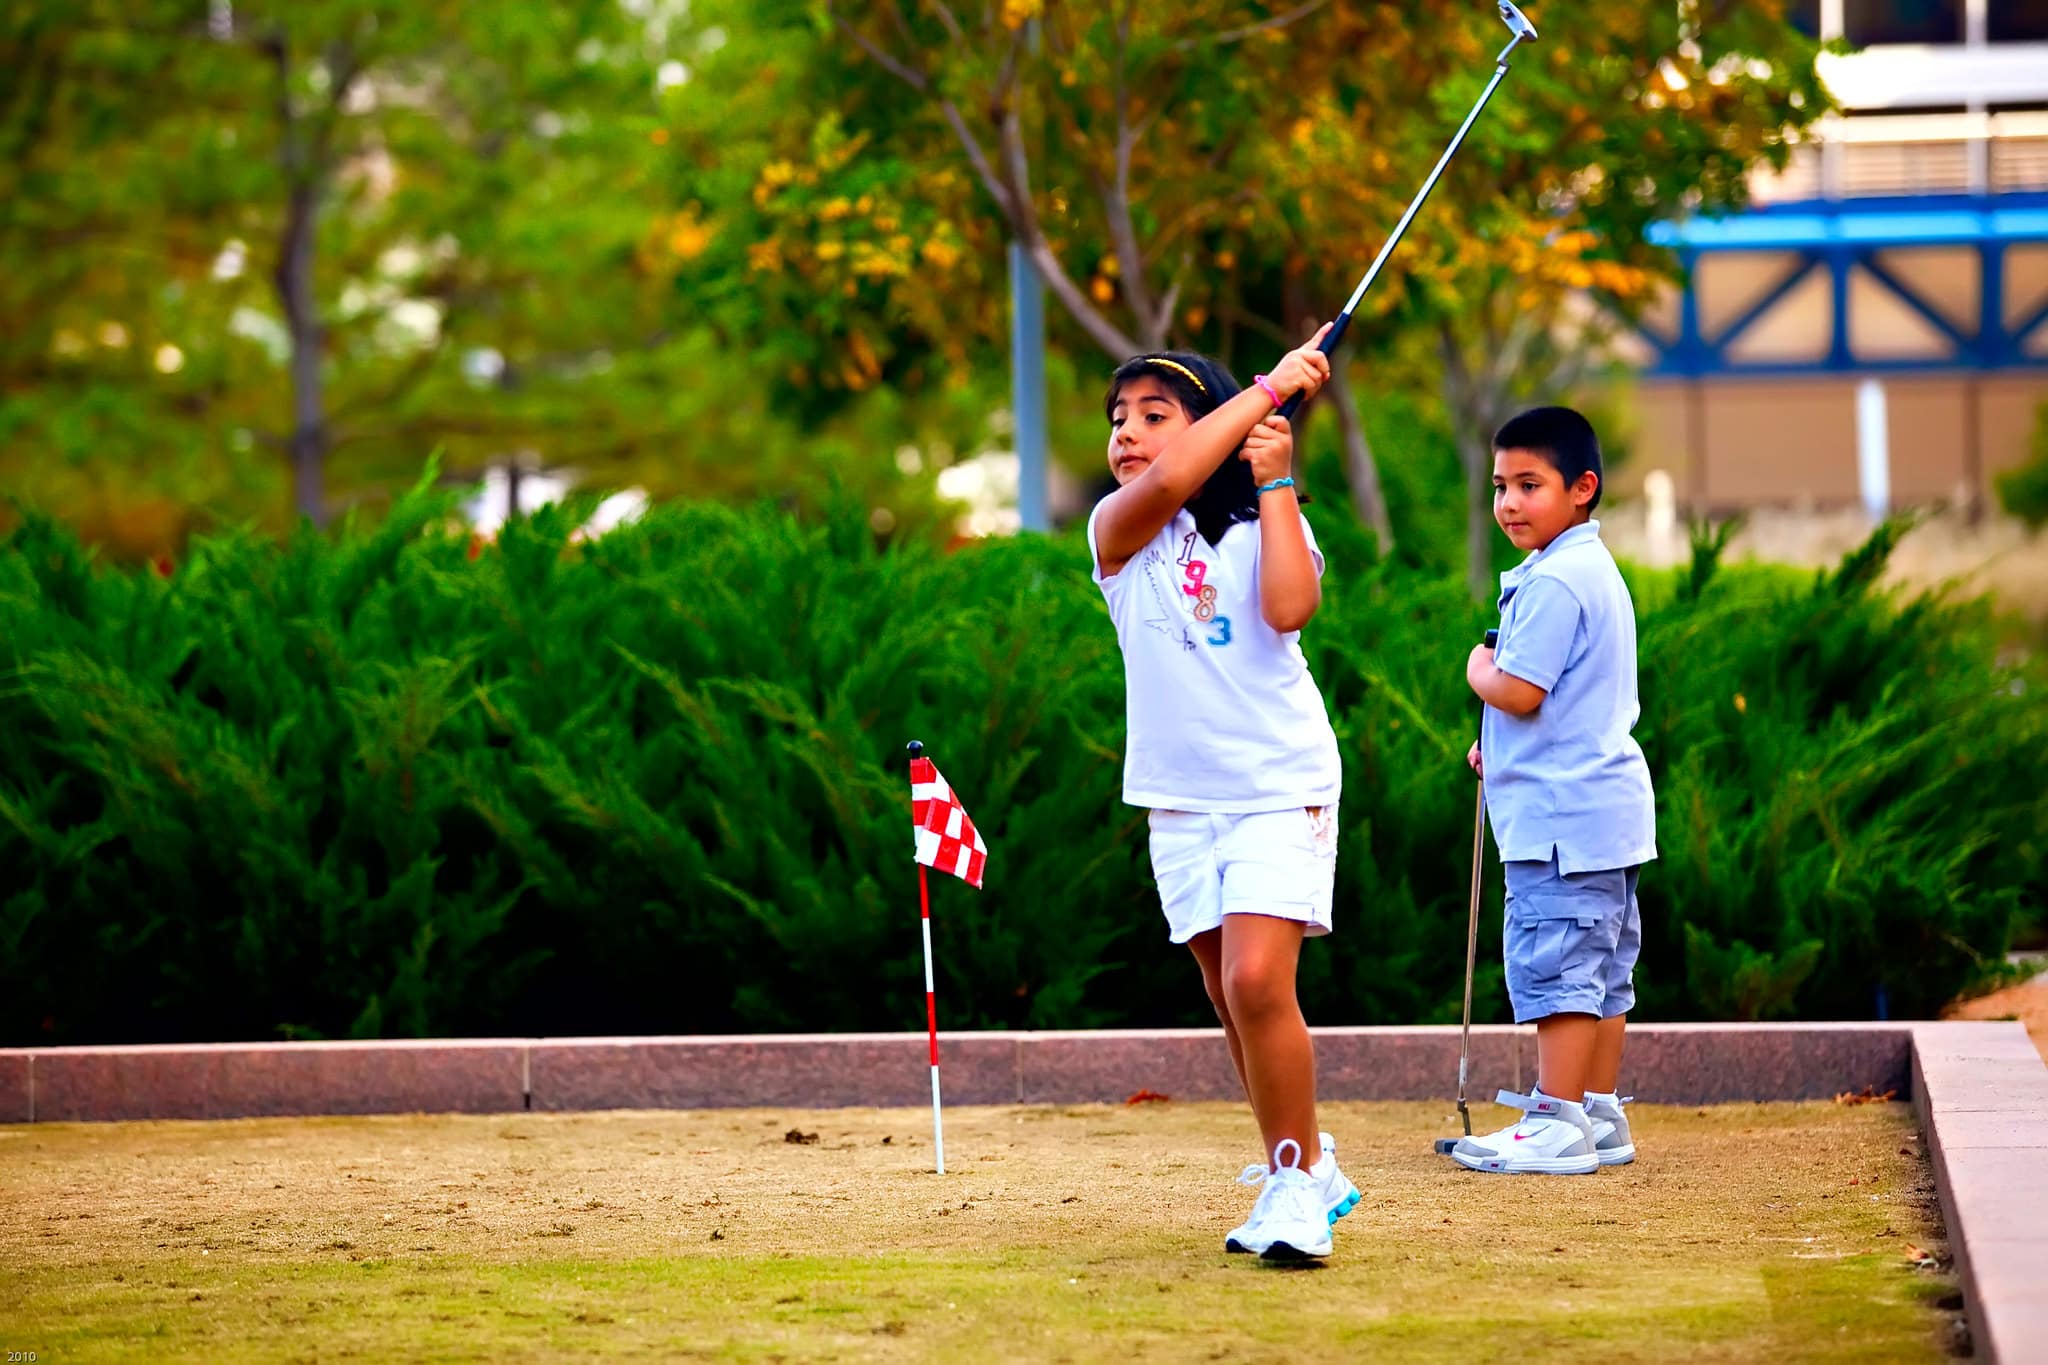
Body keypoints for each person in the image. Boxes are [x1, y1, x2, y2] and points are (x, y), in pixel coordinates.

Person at [1085, 326, 1358, 1259]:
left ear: (1209, 425)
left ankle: (1294, 1186)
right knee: (1226, 989)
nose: (1127, 433)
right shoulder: (1116, 531)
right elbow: (1162, 485)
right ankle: (1306, 1163)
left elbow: (1288, 609)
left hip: (1280, 783)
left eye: (1156, 415)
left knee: (1255, 978)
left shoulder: (1264, 520)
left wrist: (1276, 473)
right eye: (1119, 417)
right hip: (1179, 799)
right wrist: (1271, 387)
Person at [1452, 405, 1656, 1176]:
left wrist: (1476, 665)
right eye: (1501, 485)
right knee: (1602, 971)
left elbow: (1522, 687)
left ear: (1582, 488)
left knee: (1557, 967)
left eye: (1529, 485)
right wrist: (1497, 749)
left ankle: (1555, 1116)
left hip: (1561, 824)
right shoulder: (1590, 569)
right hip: (1602, 813)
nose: (1508, 502)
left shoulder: (1554, 579)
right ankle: (1596, 1109)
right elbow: (1569, 700)